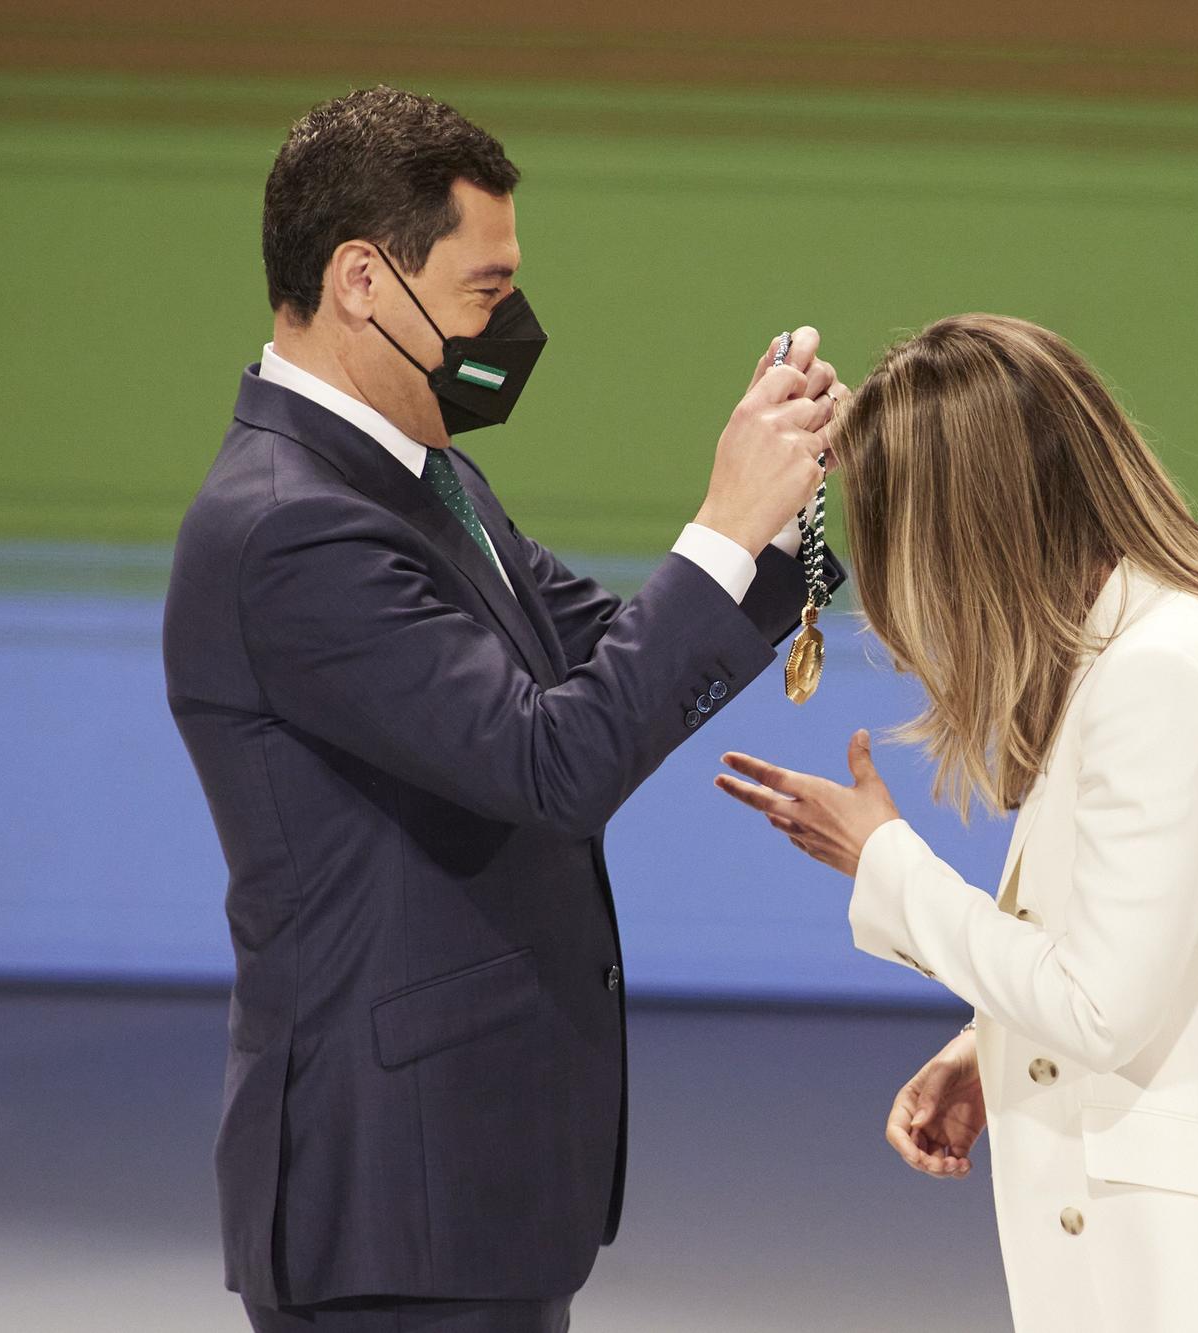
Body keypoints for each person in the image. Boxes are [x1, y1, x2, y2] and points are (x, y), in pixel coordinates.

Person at [162, 86, 847, 1332]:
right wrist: (723, 521)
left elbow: (596, 655)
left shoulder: (428, 480)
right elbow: (551, 762)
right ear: (363, 280)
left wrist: (779, 511)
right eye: (485, 289)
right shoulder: (288, 527)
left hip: (467, 1187)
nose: (509, 326)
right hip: (389, 1207)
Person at [715, 314, 1198, 1330]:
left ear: (958, 534)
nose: (888, 608)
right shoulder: (1142, 653)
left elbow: (1101, 1005)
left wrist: (882, 860)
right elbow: (1144, 949)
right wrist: (996, 1044)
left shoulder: (1161, 674)